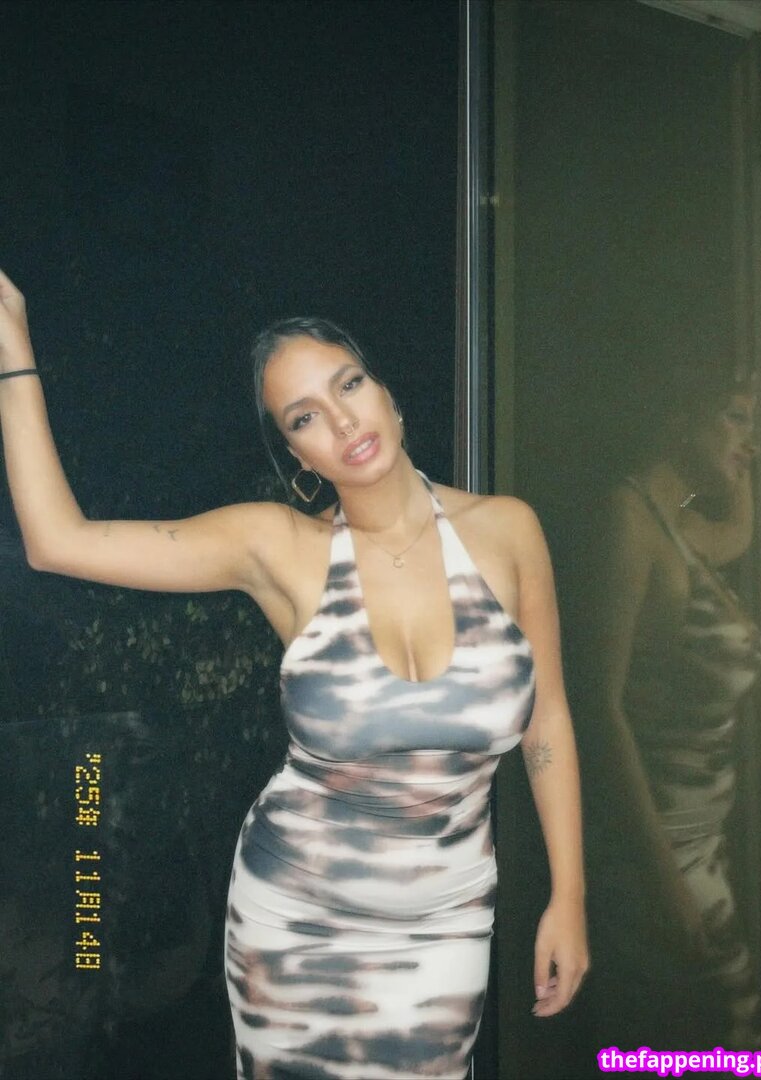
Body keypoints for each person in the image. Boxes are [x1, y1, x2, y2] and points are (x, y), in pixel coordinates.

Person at [0, 269, 588, 1080]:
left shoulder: (508, 531)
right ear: (297, 456)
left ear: (387, 393)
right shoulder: (279, 547)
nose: (342, 421)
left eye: (349, 384)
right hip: (294, 923)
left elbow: (546, 722)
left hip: (445, 923)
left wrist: (569, 896)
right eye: (305, 417)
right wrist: (11, 340)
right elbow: (55, 542)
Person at [576, 367, 761, 1052]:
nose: (753, 442)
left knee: (723, 1049)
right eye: (736, 417)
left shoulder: (679, 527)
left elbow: (739, 533)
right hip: (657, 860)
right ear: (681, 416)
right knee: (729, 1048)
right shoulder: (628, 520)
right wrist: (665, 882)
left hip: (701, 852)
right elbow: (599, 709)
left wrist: (739, 456)